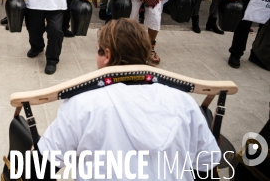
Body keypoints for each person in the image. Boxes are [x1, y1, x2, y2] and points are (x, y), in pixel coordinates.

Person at [37, 18, 221, 179]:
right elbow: (205, 168)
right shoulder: (184, 102)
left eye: (98, 51)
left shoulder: (83, 103)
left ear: (107, 55)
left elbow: (41, 167)